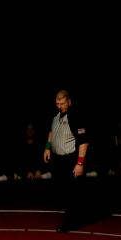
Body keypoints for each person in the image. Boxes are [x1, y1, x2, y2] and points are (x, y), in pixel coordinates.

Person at [43, 90, 90, 231]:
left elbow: (84, 141)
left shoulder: (75, 117)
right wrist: (47, 147)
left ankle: (68, 223)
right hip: (58, 160)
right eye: (57, 103)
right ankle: (76, 215)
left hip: (71, 160)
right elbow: (51, 132)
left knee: (72, 192)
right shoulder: (56, 117)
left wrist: (80, 163)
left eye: (62, 103)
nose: (60, 106)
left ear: (69, 102)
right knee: (63, 191)